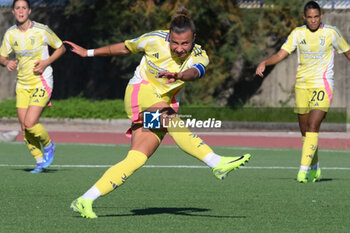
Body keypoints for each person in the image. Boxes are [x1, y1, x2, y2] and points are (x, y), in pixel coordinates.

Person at [65, 7, 251, 219]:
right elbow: (126, 48)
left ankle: (85, 200)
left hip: (162, 104)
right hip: (139, 93)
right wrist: (87, 52)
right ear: (169, 36)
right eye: (175, 42)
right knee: (172, 120)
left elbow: (196, 72)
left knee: (136, 159)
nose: (179, 48)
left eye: (185, 44)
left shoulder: (200, 54)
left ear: (194, 40)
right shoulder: (153, 39)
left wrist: (180, 74)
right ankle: (216, 162)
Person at [256, 1, 350, 183]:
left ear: (321, 16)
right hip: (301, 86)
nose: (313, 20)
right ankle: (315, 167)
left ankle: (302, 170)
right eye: (310, 17)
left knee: (313, 126)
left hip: (322, 85)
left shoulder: (331, 32)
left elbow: (347, 52)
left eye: (316, 17)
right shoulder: (298, 33)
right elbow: (281, 54)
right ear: (304, 18)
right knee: (305, 133)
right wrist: (264, 63)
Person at [0, 0, 66, 173]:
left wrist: (46, 62)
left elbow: (61, 48)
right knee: (24, 127)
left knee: (30, 123)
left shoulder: (42, 30)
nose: (21, 11)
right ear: (13, 11)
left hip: (42, 81)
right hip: (22, 84)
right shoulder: (10, 34)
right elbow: (2, 56)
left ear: (29, 11)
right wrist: (7, 62)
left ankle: (49, 145)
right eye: (17, 8)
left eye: (24, 8)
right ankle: (39, 161)